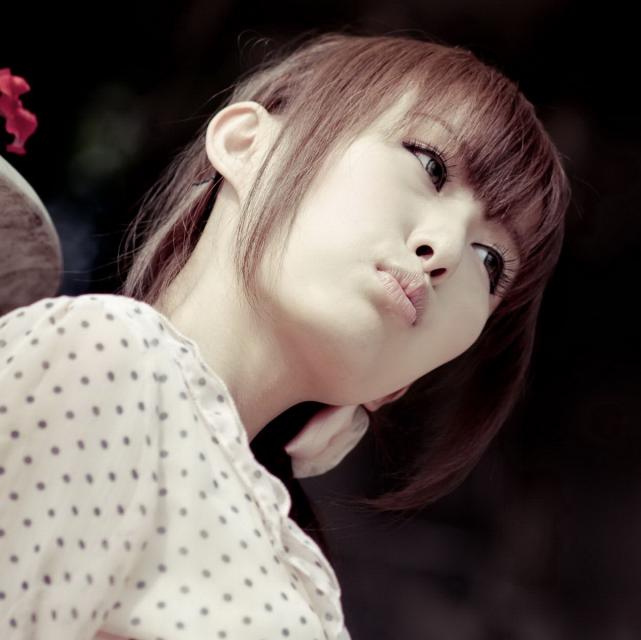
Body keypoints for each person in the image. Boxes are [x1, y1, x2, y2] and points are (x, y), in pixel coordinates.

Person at [0, 31, 570, 639]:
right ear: (246, 143)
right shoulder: (107, 358)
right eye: (431, 166)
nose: (449, 250)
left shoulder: (290, 559)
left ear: (404, 384)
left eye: (490, 262)